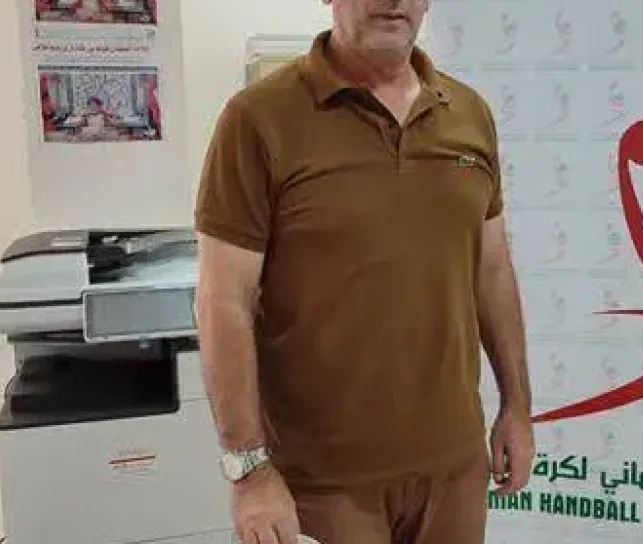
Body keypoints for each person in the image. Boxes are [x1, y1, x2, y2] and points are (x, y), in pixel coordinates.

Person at [193, 1, 534, 543]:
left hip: (454, 469)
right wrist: (250, 471)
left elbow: (491, 272)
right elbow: (223, 301)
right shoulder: (258, 119)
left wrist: (517, 407)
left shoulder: (469, 113)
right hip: (322, 483)